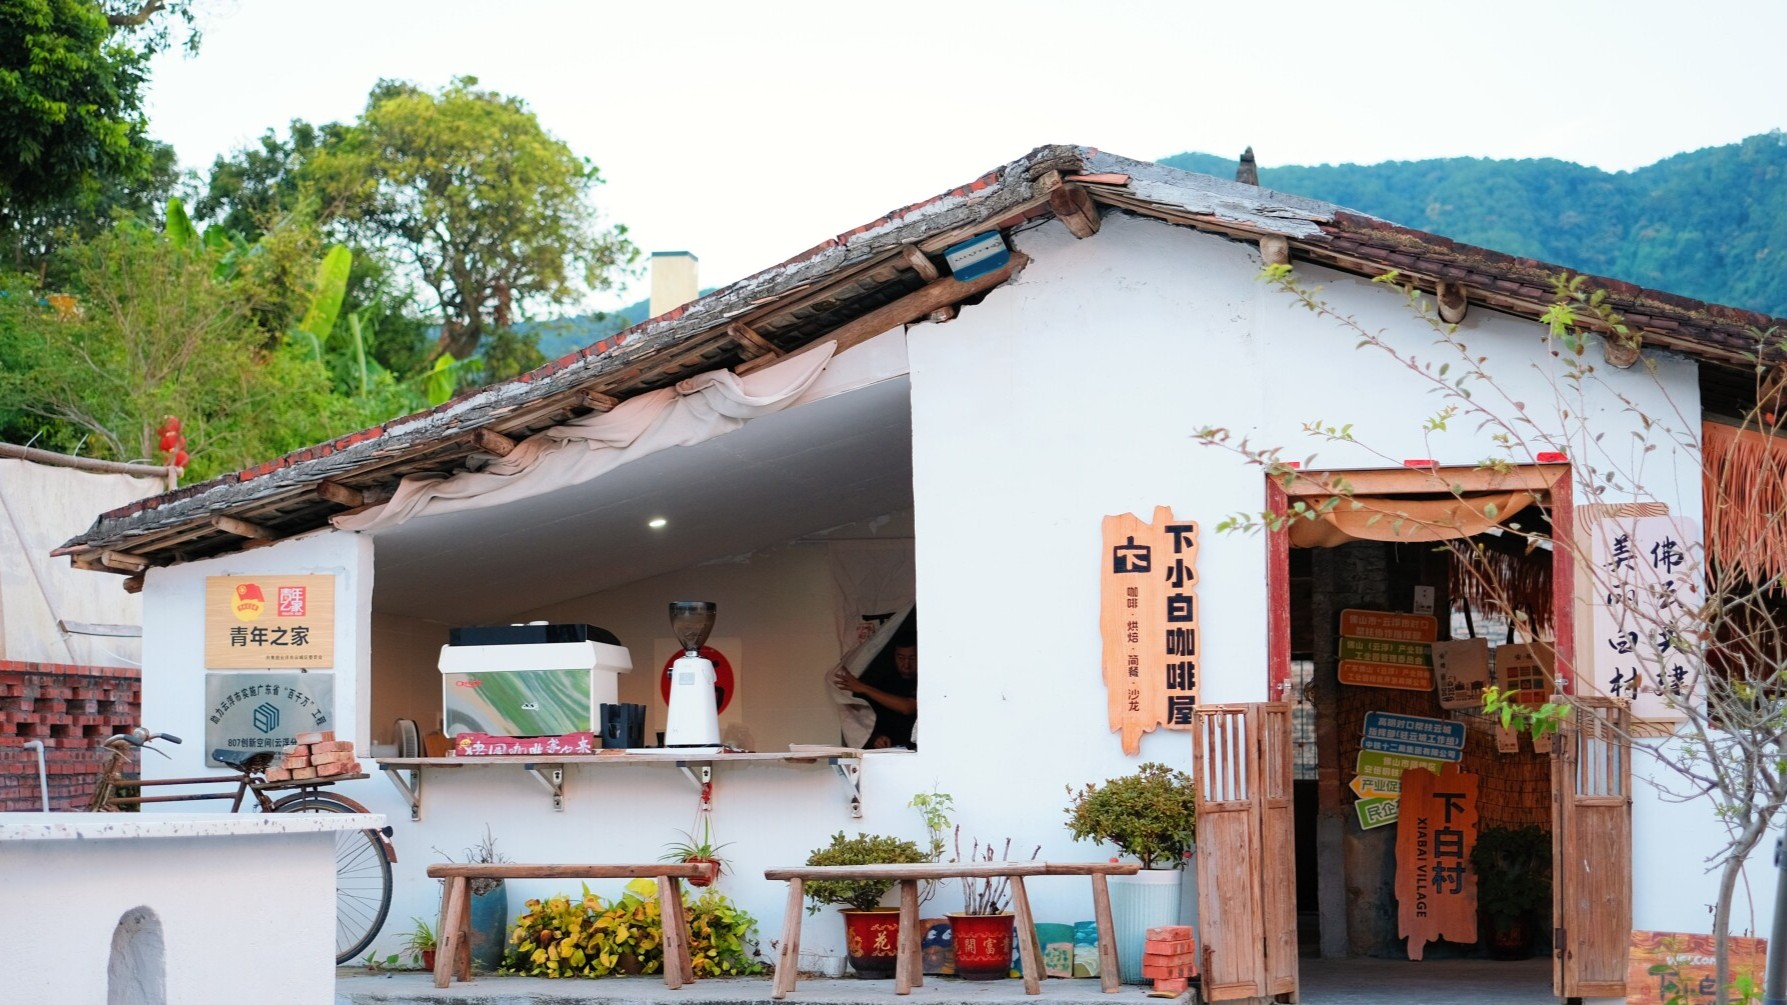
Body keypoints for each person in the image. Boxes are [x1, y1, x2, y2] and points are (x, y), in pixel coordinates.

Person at [831, 627, 917, 749]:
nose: (906, 665)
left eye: (912, 658)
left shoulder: (927, 681)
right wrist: (876, 738)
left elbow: (908, 707)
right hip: (891, 750)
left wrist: (863, 688)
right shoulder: (886, 682)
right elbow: (869, 720)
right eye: (901, 658)